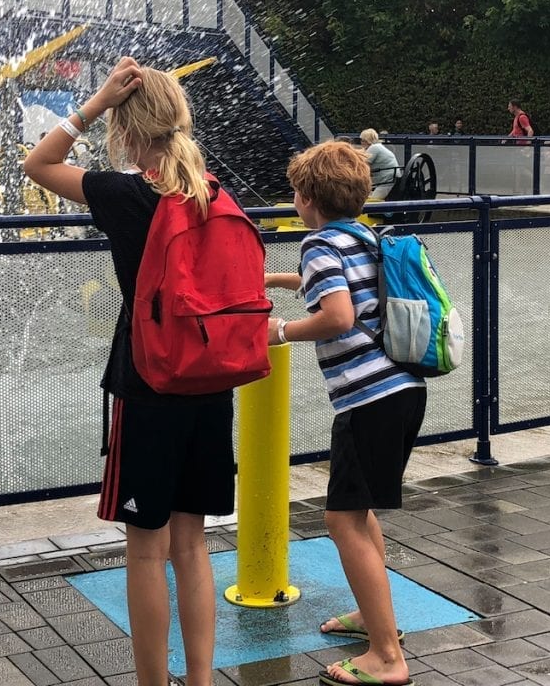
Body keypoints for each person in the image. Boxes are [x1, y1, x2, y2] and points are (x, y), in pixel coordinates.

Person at [23, 57, 235, 686]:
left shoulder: (124, 195)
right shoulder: (213, 192)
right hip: (211, 381)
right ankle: (198, 680)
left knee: (146, 548)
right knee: (192, 544)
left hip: (149, 385)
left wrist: (90, 105)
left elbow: (38, 164)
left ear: (124, 130)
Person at [265, 140, 425, 686]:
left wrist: (280, 331)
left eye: (294, 190)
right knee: (359, 514)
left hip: (367, 397)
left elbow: (337, 314)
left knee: (340, 521)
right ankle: (372, 620)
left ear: (306, 198)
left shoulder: (317, 244)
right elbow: (344, 288)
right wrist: (277, 280)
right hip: (402, 390)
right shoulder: (363, 236)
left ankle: (387, 656)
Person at [359, 128, 399, 199]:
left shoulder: (374, 148)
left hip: (386, 180)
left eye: (363, 140)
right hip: (389, 178)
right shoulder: (378, 146)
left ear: (368, 141)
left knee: (373, 201)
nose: (361, 142)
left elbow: (363, 164)